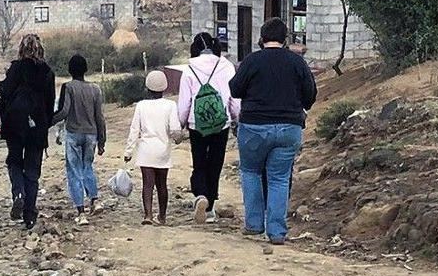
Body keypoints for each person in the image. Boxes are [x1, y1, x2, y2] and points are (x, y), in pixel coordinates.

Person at [229, 18, 317, 245]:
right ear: (285, 38)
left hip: (254, 128)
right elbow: (310, 95)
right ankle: (277, 232)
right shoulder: (297, 62)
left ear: (262, 37)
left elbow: (235, 89)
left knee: (251, 172)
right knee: (279, 178)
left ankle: (254, 224)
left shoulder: (252, 61)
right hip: (289, 128)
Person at [0, 34, 55, 230]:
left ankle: (18, 193)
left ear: (21, 49)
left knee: (14, 161)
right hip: (37, 124)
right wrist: (45, 124)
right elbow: (50, 102)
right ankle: (29, 214)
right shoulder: (47, 71)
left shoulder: (15, 68)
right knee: (33, 169)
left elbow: (5, 95)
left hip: (15, 123)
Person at [177, 32, 240, 224]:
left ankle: (200, 195)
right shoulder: (227, 66)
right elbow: (234, 97)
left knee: (199, 162)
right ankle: (210, 206)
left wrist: (182, 122)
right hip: (221, 123)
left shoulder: (189, 69)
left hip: (197, 123)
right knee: (215, 162)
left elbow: (184, 101)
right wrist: (235, 117)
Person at [52, 54, 106, 225]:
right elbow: (100, 117)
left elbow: (64, 111)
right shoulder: (95, 89)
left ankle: (80, 211)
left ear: (69, 70)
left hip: (74, 133)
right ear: (86, 69)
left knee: (74, 171)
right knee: (87, 166)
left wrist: (47, 122)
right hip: (91, 134)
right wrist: (102, 141)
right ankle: (94, 200)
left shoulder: (68, 87)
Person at [124, 71, 182, 226]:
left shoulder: (141, 106)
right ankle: (162, 216)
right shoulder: (170, 105)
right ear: (164, 88)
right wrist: (178, 139)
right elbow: (175, 130)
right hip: (163, 151)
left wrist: (128, 151)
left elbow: (134, 130)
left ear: (147, 88)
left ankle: (148, 215)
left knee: (147, 184)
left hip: (146, 151)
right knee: (162, 184)